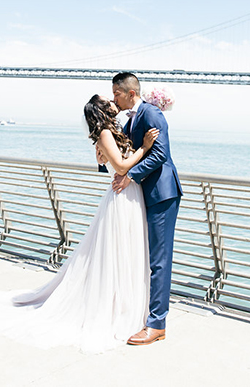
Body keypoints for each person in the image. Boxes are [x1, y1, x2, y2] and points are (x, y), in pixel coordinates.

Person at [0, 95, 159, 354]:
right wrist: (145, 147)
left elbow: (107, 161)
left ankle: (127, 303)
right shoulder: (103, 133)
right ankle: (117, 307)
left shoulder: (111, 131)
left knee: (126, 252)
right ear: (101, 109)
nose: (113, 100)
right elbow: (121, 166)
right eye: (107, 99)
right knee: (117, 253)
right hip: (122, 195)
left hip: (129, 195)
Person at [111, 72, 183, 346]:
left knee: (159, 261)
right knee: (145, 258)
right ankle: (144, 314)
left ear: (130, 93)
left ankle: (157, 325)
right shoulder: (131, 119)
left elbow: (161, 153)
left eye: (116, 93)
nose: (113, 99)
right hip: (145, 195)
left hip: (162, 194)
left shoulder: (152, 114)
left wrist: (131, 176)